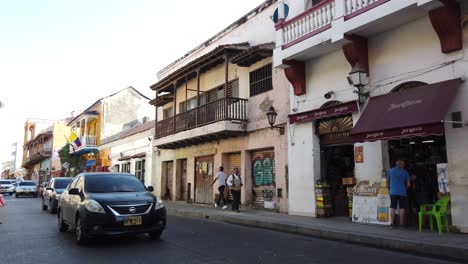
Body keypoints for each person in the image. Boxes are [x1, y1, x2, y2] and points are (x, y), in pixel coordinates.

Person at [387, 160, 410, 228]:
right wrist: (405, 188)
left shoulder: (390, 170)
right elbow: (409, 184)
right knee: (402, 208)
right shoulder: (405, 172)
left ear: (396, 164)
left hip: (393, 191)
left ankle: (392, 224)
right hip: (402, 192)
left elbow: (387, 181)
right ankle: (401, 224)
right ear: (402, 165)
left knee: (393, 207)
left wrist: (388, 189)